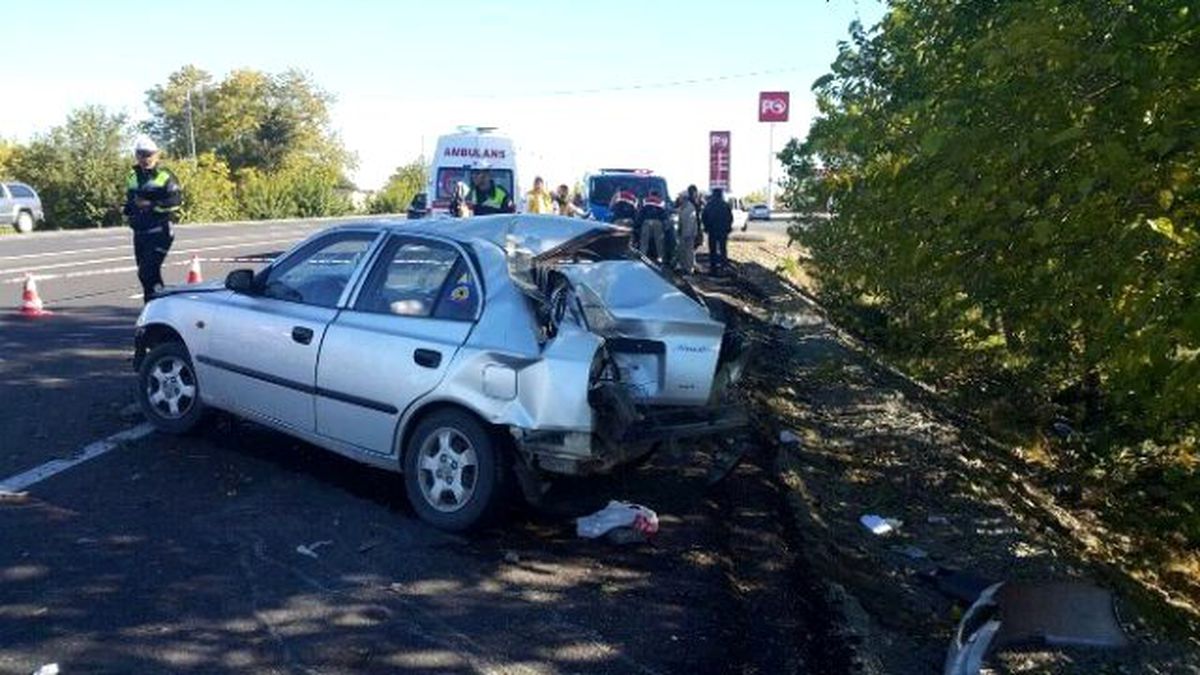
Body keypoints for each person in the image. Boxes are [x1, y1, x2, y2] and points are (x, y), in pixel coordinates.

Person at [123, 136, 182, 303]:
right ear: (136, 155)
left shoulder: (165, 176)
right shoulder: (132, 176)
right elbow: (130, 200)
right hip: (140, 232)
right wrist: (127, 209)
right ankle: (155, 308)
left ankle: (160, 305)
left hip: (160, 231)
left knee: (147, 272)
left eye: (149, 154)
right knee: (147, 276)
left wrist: (152, 204)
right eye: (141, 154)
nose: (145, 159)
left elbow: (176, 202)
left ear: (156, 155)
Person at [702, 188, 734, 275]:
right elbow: (730, 218)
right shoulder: (725, 205)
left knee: (713, 250)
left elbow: (704, 217)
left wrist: (706, 227)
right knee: (723, 249)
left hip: (712, 231)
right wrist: (728, 228)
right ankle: (723, 267)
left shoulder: (709, 205)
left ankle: (713, 269)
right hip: (723, 231)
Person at [637, 188, 669, 264]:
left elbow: (641, 213)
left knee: (644, 241)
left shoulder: (645, 201)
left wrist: (639, 224)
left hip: (647, 222)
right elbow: (664, 214)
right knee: (659, 241)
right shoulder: (661, 202)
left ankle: (642, 257)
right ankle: (660, 258)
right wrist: (665, 225)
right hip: (657, 222)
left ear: (650, 194)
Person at [675, 186, 700, 275]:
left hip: (689, 234)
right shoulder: (683, 207)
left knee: (689, 252)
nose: (679, 199)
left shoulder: (690, 208)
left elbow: (690, 223)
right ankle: (684, 267)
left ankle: (689, 269)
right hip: (684, 233)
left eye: (680, 198)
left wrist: (686, 234)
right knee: (683, 251)